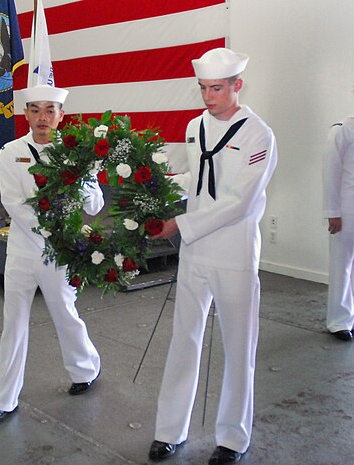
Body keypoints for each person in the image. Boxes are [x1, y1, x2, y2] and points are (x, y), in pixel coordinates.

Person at [147, 48, 277, 465]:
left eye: (216, 88)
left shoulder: (258, 134)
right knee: (184, 338)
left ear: (238, 85)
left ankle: (234, 439)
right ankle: (170, 430)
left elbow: (239, 201)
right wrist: (159, 184)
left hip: (235, 252)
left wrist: (178, 226)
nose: (208, 96)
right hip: (195, 253)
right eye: (203, 88)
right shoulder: (194, 125)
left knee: (239, 347)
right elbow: (198, 178)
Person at [0, 84, 104, 422]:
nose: (43, 118)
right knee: (13, 321)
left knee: (65, 311)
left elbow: (94, 205)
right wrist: (46, 232)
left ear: (61, 115)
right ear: (26, 115)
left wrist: (89, 173)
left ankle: (85, 369)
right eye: (35, 110)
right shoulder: (10, 152)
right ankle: (4, 396)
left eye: (50, 110)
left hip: (59, 252)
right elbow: (13, 202)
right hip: (23, 249)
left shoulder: (74, 153)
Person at [323, 114, 354, 342]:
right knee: (341, 264)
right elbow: (330, 173)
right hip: (347, 207)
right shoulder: (342, 130)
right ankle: (339, 321)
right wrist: (332, 211)